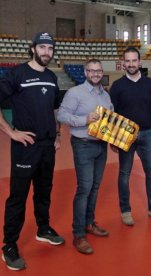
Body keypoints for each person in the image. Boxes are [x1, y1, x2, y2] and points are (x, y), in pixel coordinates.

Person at [0, 32, 65, 271]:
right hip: (25, 146)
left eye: (50, 48)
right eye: (43, 47)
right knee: (18, 197)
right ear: (33, 48)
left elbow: (55, 109)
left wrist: (57, 134)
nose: (46, 52)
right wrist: (11, 133)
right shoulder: (17, 74)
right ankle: (9, 246)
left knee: (44, 191)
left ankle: (43, 228)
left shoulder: (51, 77)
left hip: (48, 146)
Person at [110, 47, 151, 226]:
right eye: (127, 61)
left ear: (139, 62)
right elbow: (112, 113)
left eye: (133, 60)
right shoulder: (117, 86)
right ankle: (125, 211)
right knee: (124, 174)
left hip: (146, 134)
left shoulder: (150, 84)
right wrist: (113, 138)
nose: (130, 64)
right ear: (123, 63)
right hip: (124, 135)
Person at [57, 59, 112, 254]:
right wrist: (84, 119)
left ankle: (89, 223)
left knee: (95, 187)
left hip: (101, 145)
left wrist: (114, 138)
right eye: (92, 71)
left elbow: (110, 119)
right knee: (84, 188)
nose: (95, 74)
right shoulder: (75, 93)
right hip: (83, 144)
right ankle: (78, 234)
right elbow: (61, 115)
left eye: (98, 71)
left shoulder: (105, 95)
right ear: (86, 72)